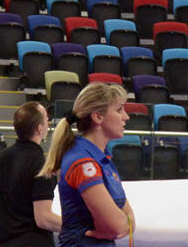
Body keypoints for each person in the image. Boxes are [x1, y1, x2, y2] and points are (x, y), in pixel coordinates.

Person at [39, 81, 134, 247]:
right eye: (119, 110)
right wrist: (123, 224)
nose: (126, 117)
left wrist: (125, 224)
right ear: (97, 117)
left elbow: (129, 221)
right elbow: (118, 225)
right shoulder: (82, 162)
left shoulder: (103, 158)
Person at [0, 101, 61, 247]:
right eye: (46, 121)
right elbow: (44, 218)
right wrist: (76, 229)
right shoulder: (42, 165)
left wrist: (6, 224)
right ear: (40, 129)